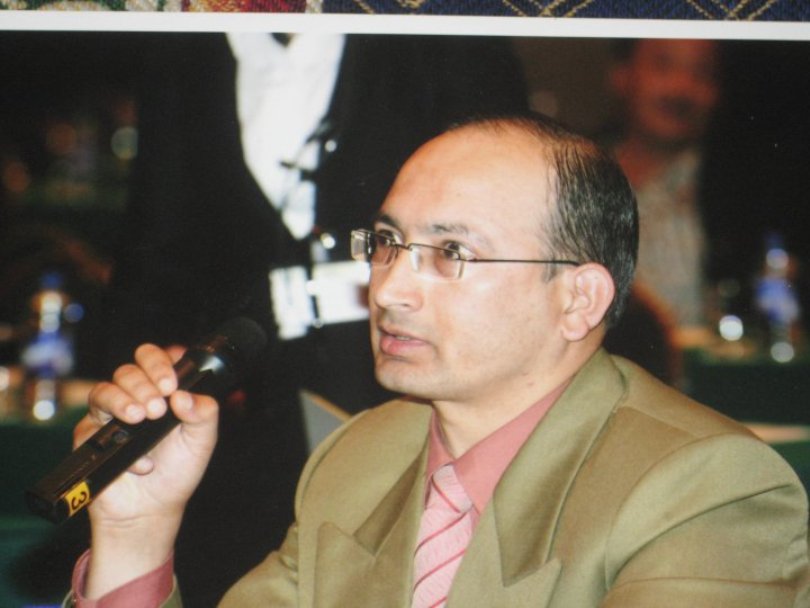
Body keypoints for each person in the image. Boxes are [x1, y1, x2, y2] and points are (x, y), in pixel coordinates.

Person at [68, 113, 809, 607]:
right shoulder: (360, 457)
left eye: (453, 252)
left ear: (579, 299)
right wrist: (138, 533)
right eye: (388, 244)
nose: (390, 289)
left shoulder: (702, 489)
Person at [97, 32, 528, 605]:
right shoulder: (183, 49)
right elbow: (152, 254)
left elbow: (509, 232)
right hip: (234, 439)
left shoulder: (436, 35)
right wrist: (156, 366)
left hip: (400, 414)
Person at [606, 38, 721, 338]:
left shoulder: (742, 193)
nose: (682, 88)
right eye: (663, 65)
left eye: (701, 73)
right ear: (622, 75)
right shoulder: (583, 181)